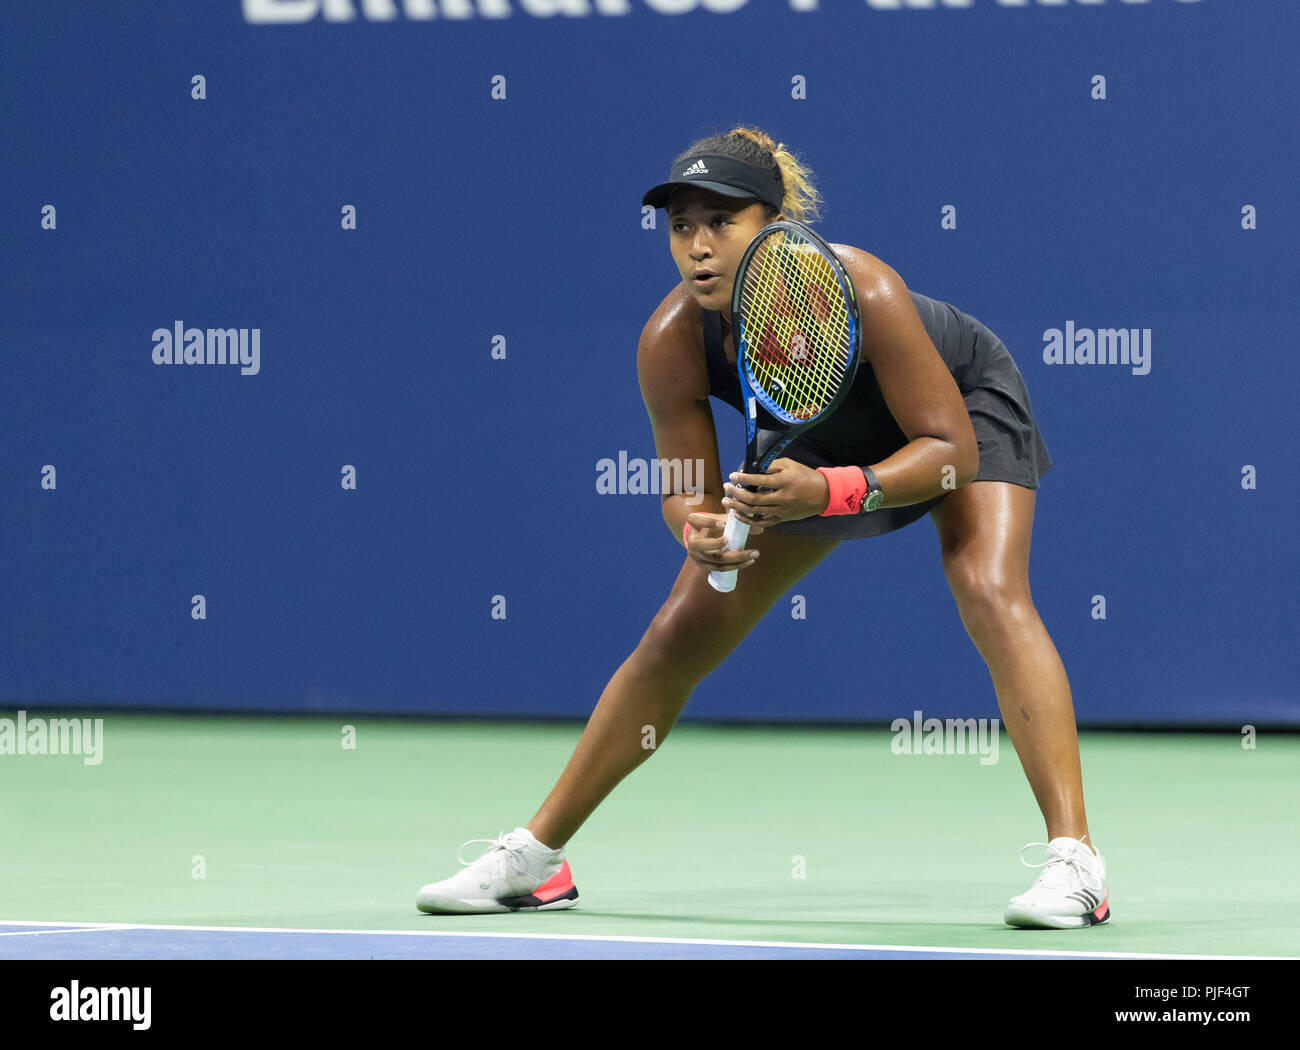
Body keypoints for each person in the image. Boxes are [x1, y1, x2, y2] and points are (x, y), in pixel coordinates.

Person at [416, 126, 1109, 930]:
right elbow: (685, 488)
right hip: (810, 440)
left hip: (953, 415)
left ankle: (1076, 862)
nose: (698, 247)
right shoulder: (672, 340)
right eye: (682, 227)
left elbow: (948, 453)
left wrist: (833, 491)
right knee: (677, 632)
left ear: (775, 223)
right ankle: (535, 859)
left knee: (987, 587)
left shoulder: (866, 290)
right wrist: (696, 529)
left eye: (722, 222)